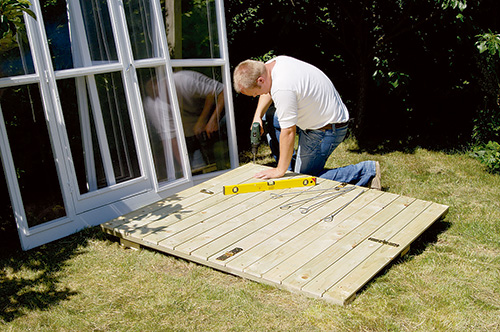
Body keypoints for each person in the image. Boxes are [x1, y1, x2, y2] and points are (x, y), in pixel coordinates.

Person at [233, 55, 381, 189]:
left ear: (260, 80)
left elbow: (288, 131)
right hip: (319, 117)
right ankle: (288, 166)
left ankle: (366, 171)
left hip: (327, 129)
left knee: (303, 179)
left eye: (254, 93)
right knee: (269, 116)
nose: (255, 96)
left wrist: (279, 171)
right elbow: (266, 91)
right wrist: (257, 115)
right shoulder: (271, 66)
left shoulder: (282, 87)